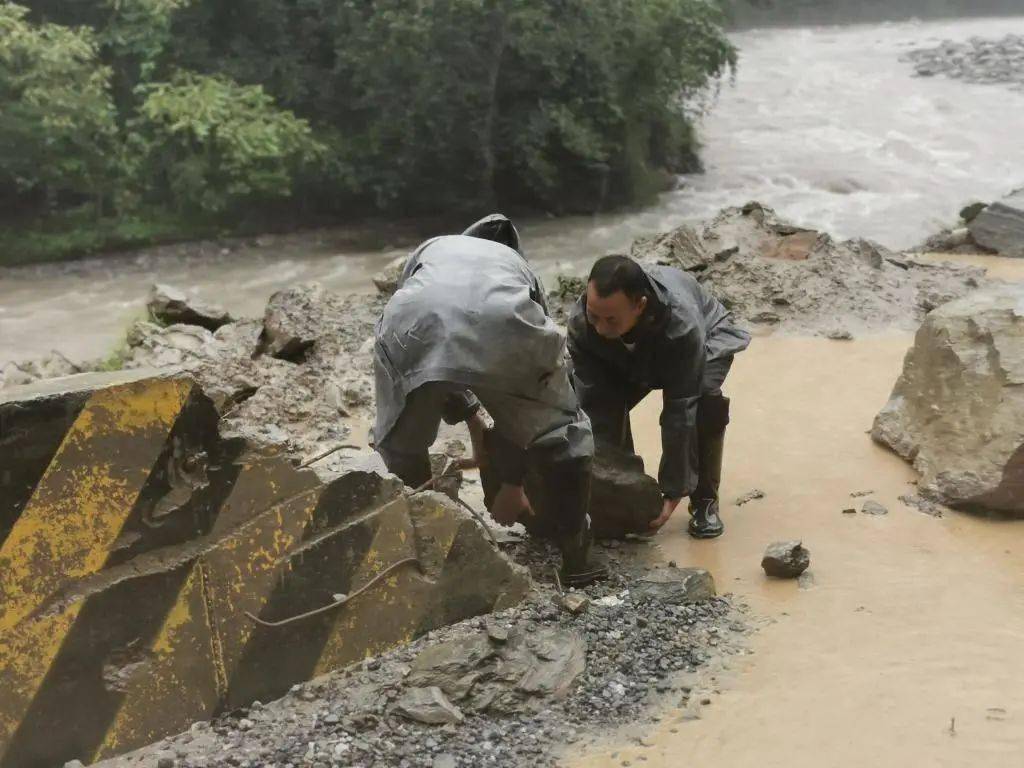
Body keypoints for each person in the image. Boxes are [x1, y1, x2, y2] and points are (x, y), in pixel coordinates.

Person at [372, 214, 606, 585]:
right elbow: (522, 395)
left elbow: (441, 359)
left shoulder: (436, 248)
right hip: (504, 318)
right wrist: (512, 486)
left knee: (402, 442)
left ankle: (425, 549)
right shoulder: (518, 268)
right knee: (564, 433)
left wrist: (473, 423)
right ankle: (577, 559)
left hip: (413, 321)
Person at [567, 255, 751, 538]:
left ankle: (704, 500)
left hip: (704, 338)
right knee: (587, 401)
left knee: (704, 401)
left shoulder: (683, 327)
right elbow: (598, 405)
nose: (600, 329)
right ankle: (620, 495)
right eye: (594, 316)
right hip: (629, 357)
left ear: (639, 306)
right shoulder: (583, 324)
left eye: (611, 320)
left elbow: (681, 410)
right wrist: (617, 488)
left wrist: (673, 489)